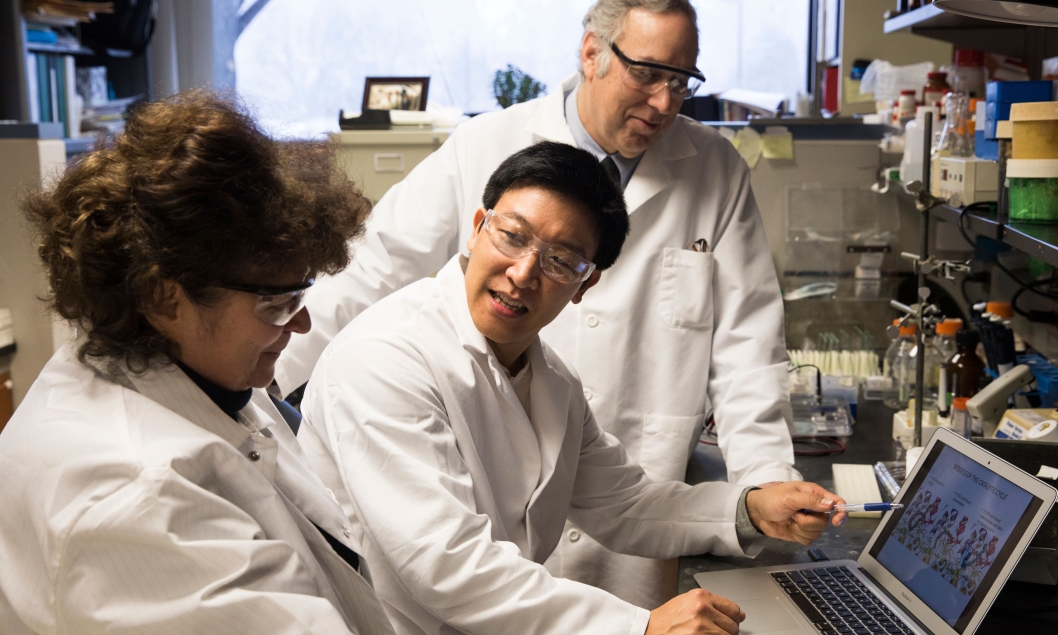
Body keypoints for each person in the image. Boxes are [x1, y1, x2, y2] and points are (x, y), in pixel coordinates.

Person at [275, 0, 799, 608]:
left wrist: (765, 494)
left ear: (587, 282)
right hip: (458, 558)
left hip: (629, 495)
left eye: (681, 81)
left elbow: (748, 351)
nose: (663, 101)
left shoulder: (713, 172)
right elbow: (366, 275)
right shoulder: (484, 150)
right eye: (647, 73)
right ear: (592, 53)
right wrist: (249, 399)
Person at [297, 141, 847, 635]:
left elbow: (625, 504)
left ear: (588, 283)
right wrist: (639, 628)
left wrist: (748, 509)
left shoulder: (551, 378)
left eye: (561, 260)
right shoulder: (386, 359)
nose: (522, 273)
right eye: (511, 236)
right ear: (476, 228)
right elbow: (446, 566)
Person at [0, 91, 393, 634]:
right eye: (278, 304)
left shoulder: (190, 368)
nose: (301, 326)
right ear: (166, 297)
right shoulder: (139, 501)